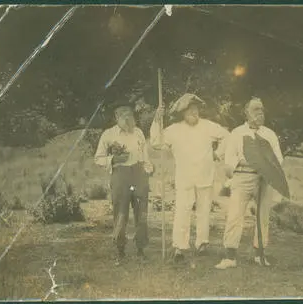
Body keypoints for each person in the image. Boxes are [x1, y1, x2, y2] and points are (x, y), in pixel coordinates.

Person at [150, 93, 230, 262]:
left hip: (205, 175)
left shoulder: (208, 126)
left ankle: (202, 243)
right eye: (190, 111)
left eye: (196, 110)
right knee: (182, 210)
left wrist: (217, 153)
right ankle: (179, 246)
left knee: (203, 211)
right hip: (184, 177)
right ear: (183, 113)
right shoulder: (174, 130)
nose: (194, 113)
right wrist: (157, 120)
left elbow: (226, 137)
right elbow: (156, 142)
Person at [215, 97, 284, 269]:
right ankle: (230, 257)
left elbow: (279, 160)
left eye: (261, 110)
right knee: (235, 215)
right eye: (256, 110)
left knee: (263, 217)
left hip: (263, 179)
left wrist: (267, 168)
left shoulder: (270, 134)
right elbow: (230, 159)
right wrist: (233, 168)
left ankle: (259, 254)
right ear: (246, 113)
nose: (260, 113)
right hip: (242, 176)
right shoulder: (237, 133)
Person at [94, 106, 154, 263]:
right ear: (116, 118)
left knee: (141, 213)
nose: (128, 119)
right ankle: (120, 251)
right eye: (123, 116)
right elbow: (98, 158)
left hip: (139, 174)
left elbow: (145, 155)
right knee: (121, 213)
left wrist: (148, 169)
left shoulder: (138, 132)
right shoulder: (109, 134)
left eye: (130, 116)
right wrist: (113, 160)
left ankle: (141, 250)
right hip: (120, 175)